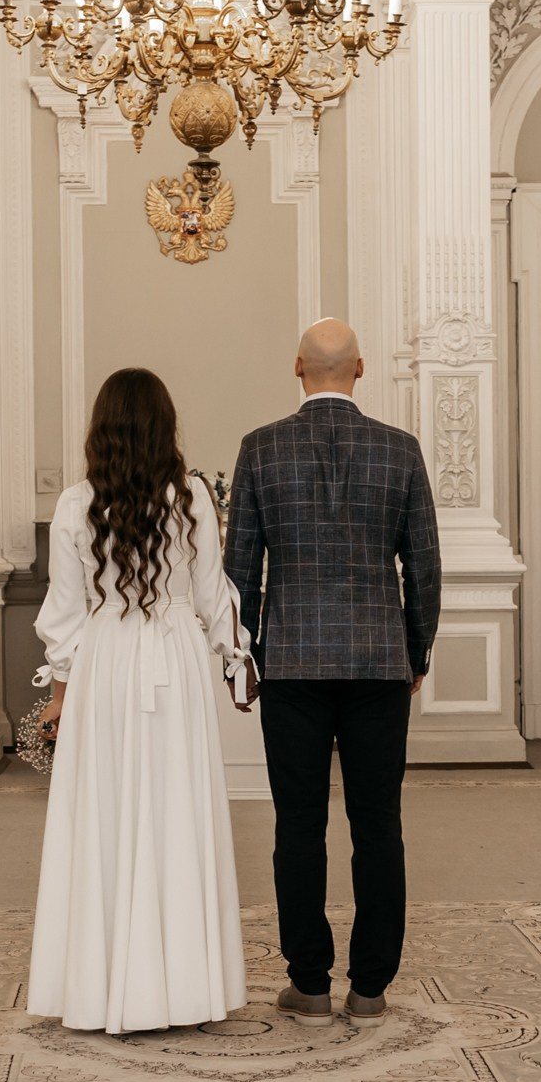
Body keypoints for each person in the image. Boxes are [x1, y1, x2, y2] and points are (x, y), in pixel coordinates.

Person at [223, 319, 439, 1024]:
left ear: (297, 368)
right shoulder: (400, 449)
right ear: (361, 368)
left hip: (291, 663)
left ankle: (309, 983)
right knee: (379, 824)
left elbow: (239, 571)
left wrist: (243, 657)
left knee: (298, 824)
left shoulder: (261, 448)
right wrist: (416, 651)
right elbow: (424, 567)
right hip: (378, 662)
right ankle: (370, 988)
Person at [28, 368, 251, 1034]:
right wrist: (236, 661)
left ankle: (100, 985)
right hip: (176, 659)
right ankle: (184, 986)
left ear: (101, 428)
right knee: (177, 805)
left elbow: (65, 615)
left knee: (105, 809)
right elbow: (213, 597)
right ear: (165, 426)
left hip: (105, 662)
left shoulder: (76, 505)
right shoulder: (193, 498)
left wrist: (60, 695)